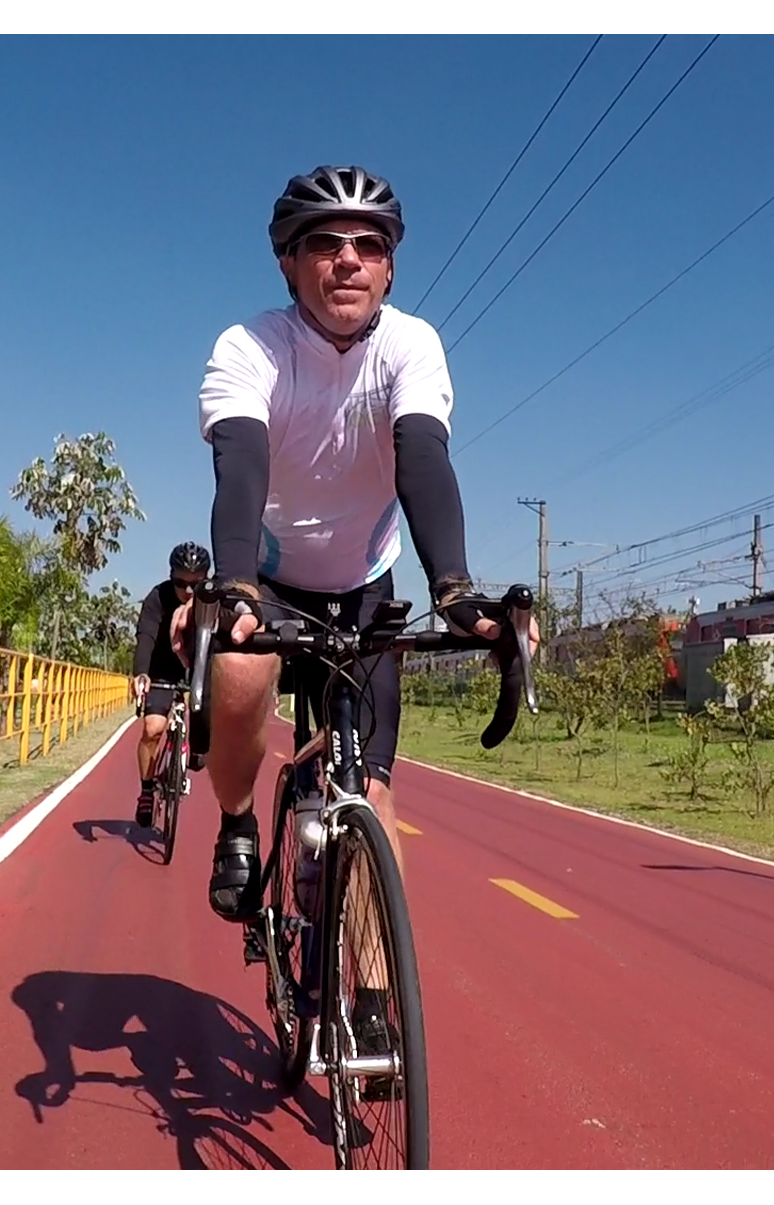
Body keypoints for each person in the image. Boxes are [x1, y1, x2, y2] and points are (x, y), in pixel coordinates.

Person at [169, 164, 538, 928]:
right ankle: (236, 820)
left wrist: (454, 588)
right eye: (325, 243)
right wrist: (233, 584)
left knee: (371, 794)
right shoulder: (250, 346)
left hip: (365, 585)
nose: (348, 259)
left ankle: (372, 990)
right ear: (288, 262)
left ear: (388, 267)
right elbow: (239, 467)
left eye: (369, 245)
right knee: (241, 671)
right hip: (269, 581)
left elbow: (421, 455)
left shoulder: (411, 343)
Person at [130, 542, 209, 827]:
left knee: (207, 737)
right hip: (162, 670)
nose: (188, 591)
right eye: (180, 583)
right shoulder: (158, 597)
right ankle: (147, 790)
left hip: (199, 668)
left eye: (196, 584)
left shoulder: (213, 600)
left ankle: (194, 752)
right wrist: (141, 673)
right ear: (170, 576)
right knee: (153, 729)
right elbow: (146, 636)